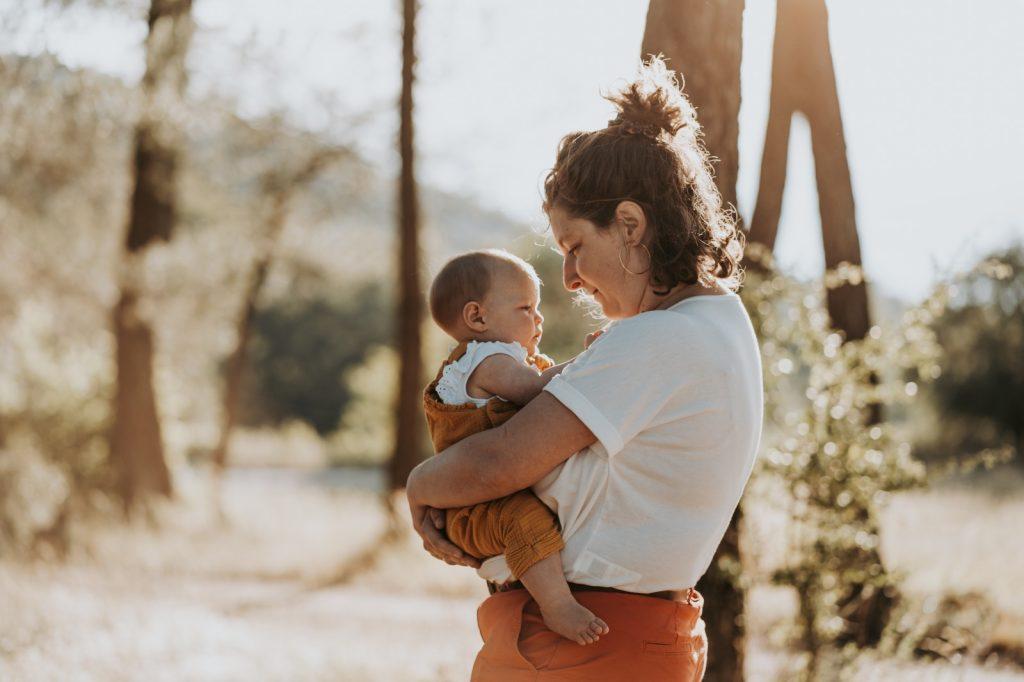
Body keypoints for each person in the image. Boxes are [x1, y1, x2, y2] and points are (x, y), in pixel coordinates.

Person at [406, 57, 763, 681]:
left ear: (629, 225)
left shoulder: (658, 339)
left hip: (581, 647)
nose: (569, 278)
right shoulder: (720, 322)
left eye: (575, 248)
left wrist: (419, 487)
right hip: (628, 638)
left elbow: (497, 462)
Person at [422, 248, 609, 645]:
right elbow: (538, 391)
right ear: (477, 317)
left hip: (484, 496)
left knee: (531, 516)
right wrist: (593, 359)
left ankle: (517, 581)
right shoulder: (486, 359)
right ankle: (557, 605)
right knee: (524, 519)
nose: (538, 318)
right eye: (525, 307)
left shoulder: (506, 358)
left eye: (537, 307)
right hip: (477, 507)